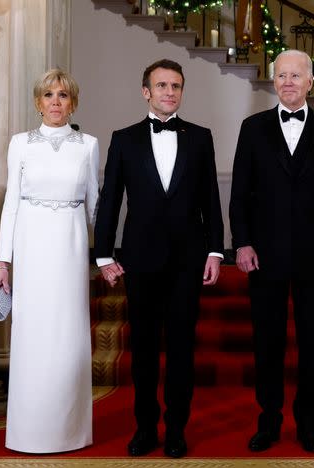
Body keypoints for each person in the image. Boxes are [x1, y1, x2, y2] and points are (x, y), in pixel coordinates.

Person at [94, 59, 224, 459]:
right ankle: (145, 428)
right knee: (145, 349)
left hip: (188, 258)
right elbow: (111, 199)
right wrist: (102, 255)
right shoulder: (124, 138)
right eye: (162, 85)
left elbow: (210, 202)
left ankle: (177, 431)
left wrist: (216, 250)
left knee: (182, 349)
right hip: (141, 257)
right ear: (146, 91)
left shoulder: (200, 137)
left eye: (177, 86)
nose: (170, 92)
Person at [229, 49, 314, 454]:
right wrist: (242, 242)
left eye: (296, 75)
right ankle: (268, 421)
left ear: (311, 82)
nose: (288, 82)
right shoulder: (252, 128)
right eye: (281, 75)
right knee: (267, 344)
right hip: (264, 256)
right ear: (273, 80)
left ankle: (308, 425)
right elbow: (239, 194)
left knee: (313, 345)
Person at [0, 69, 99, 453]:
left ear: (73, 102)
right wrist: (3, 263)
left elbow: (94, 207)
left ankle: (69, 431)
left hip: (69, 249)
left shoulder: (88, 144)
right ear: (38, 102)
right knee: (32, 337)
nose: (56, 102)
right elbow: (11, 204)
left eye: (64, 95)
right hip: (31, 246)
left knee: (68, 338)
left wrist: (102, 256)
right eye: (49, 95)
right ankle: (29, 431)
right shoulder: (20, 143)